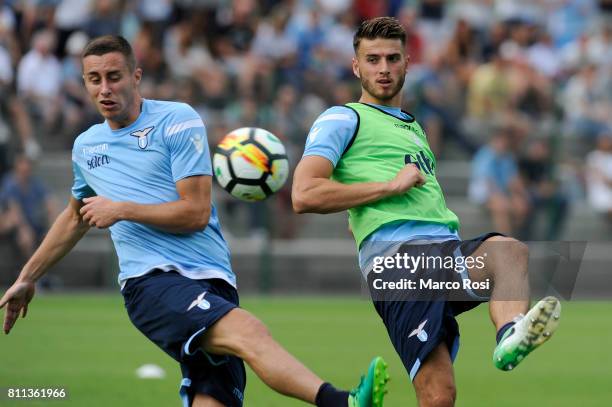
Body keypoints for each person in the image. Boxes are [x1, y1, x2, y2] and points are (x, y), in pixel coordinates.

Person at [0, 35, 389, 407]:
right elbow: (74, 218)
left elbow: (195, 213)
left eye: (114, 77)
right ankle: (344, 402)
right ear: (83, 83)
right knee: (250, 331)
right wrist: (28, 276)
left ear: (135, 76)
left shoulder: (177, 120)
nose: (104, 89)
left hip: (214, 281)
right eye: (94, 79)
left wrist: (120, 208)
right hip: (152, 283)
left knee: (213, 400)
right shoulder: (86, 146)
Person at [292, 17, 561, 407]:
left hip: (440, 254)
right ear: (356, 67)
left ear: (407, 63)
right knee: (438, 394)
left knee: (509, 253)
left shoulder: (413, 128)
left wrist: (363, 216)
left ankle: (509, 337)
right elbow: (303, 193)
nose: (383, 68)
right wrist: (387, 188)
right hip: (399, 264)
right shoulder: (342, 118)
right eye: (372, 59)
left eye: (392, 58)